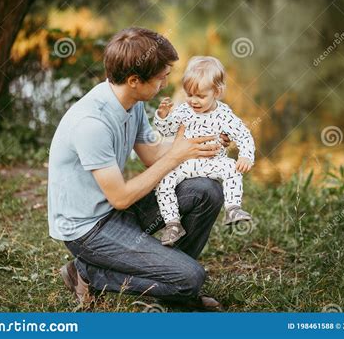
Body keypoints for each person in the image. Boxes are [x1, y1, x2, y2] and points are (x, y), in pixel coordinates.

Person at [48, 27, 227, 310]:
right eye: (161, 78)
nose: (165, 84)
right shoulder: (91, 124)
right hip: (89, 230)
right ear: (134, 80)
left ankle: (169, 281)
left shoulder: (130, 103)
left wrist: (194, 139)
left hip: (115, 211)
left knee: (207, 190)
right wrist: (176, 156)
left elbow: (152, 154)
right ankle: (86, 272)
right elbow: (120, 197)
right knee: (192, 278)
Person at [154, 56, 256, 246]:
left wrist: (245, 155)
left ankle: (233, 207)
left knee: (232, 168)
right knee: (164, 181)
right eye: (189, 94)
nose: (194, 101)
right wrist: (162, 117)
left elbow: (243, 134)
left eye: (200, 96)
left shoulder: (224, 114)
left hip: (212, 162)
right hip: (185, 163)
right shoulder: (184, 110)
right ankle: (172, 224)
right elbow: (167, 130)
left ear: (216, 92)